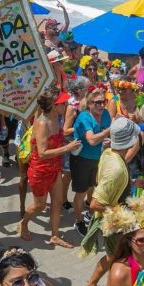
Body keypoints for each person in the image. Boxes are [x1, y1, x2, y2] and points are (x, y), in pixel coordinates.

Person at [80, 117, 141, 286]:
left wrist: (131, 184)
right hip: (114, 223)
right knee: (123, 262)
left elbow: (103, 179)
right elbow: (95, 204)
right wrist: (122, 215)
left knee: (111, 256)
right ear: (130, 141)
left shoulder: (108, 153)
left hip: (113, 220)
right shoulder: (116, 169)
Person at [19, 89, 80, 248]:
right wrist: (67, 149)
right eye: (63, 103)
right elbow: (42, 153)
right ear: (54, 106)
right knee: (39, 206)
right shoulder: (41, 123)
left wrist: (68, 143)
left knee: (57, 202)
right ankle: (23, 222)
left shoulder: (57, 119)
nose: (67, 104)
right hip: (40, 170)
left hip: (55, 168)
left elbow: (56, 142)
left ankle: (55, 235)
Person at [71, 84, 112, 236]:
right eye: (97, 103)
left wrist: (109, 139)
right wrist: (108, 132)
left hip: (99, 159)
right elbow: (92, 140)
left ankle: (90, 214)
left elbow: (107, 135)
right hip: (82, 160)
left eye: (103, 101)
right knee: (81, 192)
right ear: (89, 104)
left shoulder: (106, 114)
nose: (102, 105)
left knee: (94, 188)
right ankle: (79, 221)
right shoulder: (84, 117)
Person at [62, 75, 89, 212]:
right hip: (72, 144)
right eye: (87, 87)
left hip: (84, 145)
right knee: (67, 174)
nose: (89, 89)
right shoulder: (71, 106)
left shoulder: (86, 102)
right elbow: (65, 130)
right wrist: (82, 126)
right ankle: (63, 200)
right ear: (79, 90)